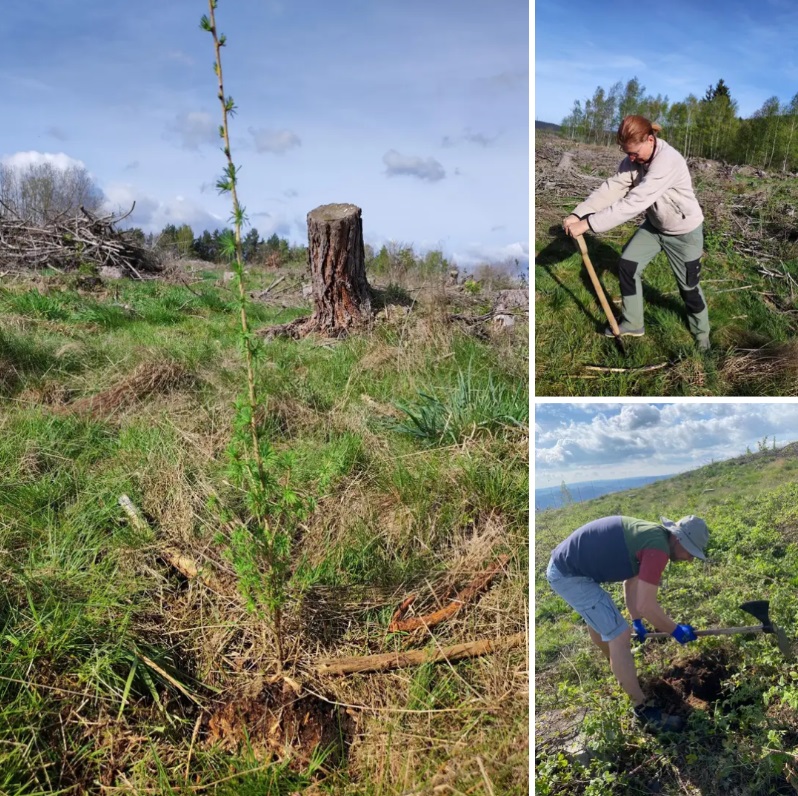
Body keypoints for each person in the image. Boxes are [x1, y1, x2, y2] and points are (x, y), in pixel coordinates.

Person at [545, 514, 709, 732]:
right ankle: (643, 711)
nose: (689, 559)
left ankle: (619, 669)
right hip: (568, 575)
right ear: (679, 540)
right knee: (619, 635)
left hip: (568, 567)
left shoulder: (652, 539)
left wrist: (636, 620)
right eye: (691, 552)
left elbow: (630, 582)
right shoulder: (657, 549)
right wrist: (676, 630)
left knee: (606, 625)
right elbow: (647, 605)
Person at [562, 115, 710, 351]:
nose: (630, 158)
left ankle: (702, 337)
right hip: (655, 226)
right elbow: (612, 188)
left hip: (684, 232)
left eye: (634, 152)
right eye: (626, 152)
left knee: (689, 288)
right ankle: (633, 322)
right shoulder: (632, 160)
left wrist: (588, 225)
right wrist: (579, 214)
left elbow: (634, 202)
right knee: (627, 266)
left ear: (650, 140)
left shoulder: (668, 161)